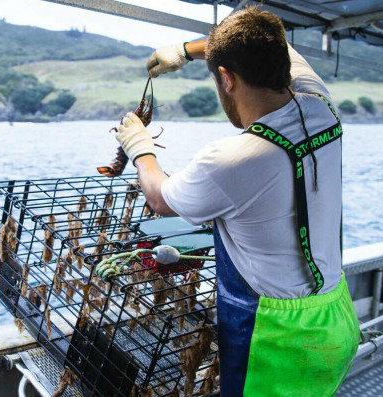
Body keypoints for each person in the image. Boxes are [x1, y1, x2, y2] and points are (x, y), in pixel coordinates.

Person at [114, 7, 359, 396]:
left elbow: (160, 199)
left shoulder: (232, 160)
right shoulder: (322, 106)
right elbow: (273, 46)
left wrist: (139, 147)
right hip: (333, 319)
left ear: (226, 78)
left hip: (276, 340)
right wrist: (186, 50)